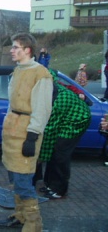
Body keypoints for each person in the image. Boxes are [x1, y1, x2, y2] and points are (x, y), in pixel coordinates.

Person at [0, 33, 53, 231]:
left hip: (27, 132)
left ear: (27, 50)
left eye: (15, 47)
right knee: (15, 179)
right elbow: (13, 104)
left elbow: (43, 108)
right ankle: (20, 216)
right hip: (12, 130)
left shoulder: (41, 74)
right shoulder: (18, 71)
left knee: (23, 181)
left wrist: (32, 135)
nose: (11, 50)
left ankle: (33, 224)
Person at [37, 69, 91, 200]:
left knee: (60, 154)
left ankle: (60, 190)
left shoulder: (59, 99)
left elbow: (50, 129)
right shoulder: (49, 92)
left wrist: (40, 156)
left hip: (77, 121)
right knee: (53, 152)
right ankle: (50, 184)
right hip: (65, 119)